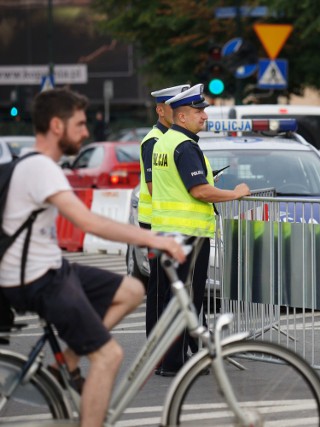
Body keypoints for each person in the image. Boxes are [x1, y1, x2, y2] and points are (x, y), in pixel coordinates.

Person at [0, 88, 185, 427]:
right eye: (81, 124)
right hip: (36, 280)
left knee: (132, 291)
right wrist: (153, 238)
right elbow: (88, 222)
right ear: (57, 125)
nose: (87, 132)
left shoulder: (35, 163)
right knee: (109, 356)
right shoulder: (41, 167)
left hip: (51, 270)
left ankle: (65, 359)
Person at [150, 83, 250, 376]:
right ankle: (176, 362)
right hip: (188, 234)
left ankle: (171, 359)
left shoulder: (165, 142)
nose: (204, 116)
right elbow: (200, 191)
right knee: (187, 299)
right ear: (181, 117)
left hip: (170, 232)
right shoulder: (184, 146)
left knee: (175, 299)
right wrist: (235, 193)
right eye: (198, 111)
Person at [139, 84, 189, 334]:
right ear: (160, 110)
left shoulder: (171, 139)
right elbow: (153, 185)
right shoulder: (154, 141)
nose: (178, 111)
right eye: (173, 107)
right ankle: (156, 349)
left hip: (165, 222)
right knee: (159, 289)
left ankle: (166, 348)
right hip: (155, 222)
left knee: (167, 289)